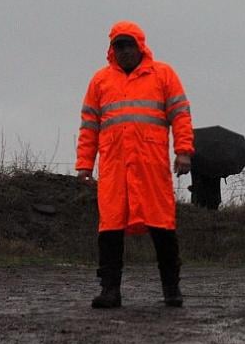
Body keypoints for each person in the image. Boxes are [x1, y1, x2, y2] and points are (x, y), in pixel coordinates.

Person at [76, 21, 194, 309]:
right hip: (114, 167)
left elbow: (180, 115)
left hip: (151, 166)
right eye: (119, 46)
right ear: (111, 49)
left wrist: (183, 151)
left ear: (140, 46)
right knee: (110, 228)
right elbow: (89, 127)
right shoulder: (100, 81)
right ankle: (110, 291)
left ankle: (171, 289)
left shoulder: (163, 75)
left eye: (129, 45)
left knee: (162, 226)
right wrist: (84, 166)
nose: (125, 51)